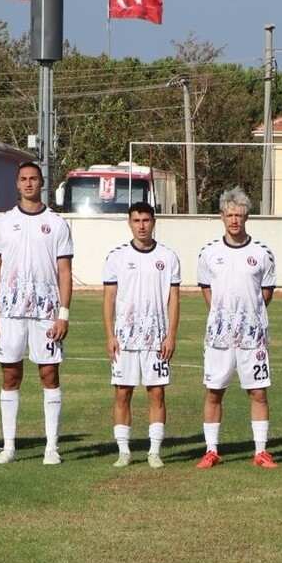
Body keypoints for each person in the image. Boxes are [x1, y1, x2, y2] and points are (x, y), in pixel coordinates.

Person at [0, 162, 73, 465]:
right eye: (23, 179)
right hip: (9, 313)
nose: (28, 184)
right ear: (17, 184)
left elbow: (65, 271)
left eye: (33, 179)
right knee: (10, 376)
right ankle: (9, 446)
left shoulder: (57, 223)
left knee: (49, 374)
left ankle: (52, 447)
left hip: (46, 313)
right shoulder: (3, 222)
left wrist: (63, 313)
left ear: (41, 182)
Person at [195, 187, 277, 468]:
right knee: (214, 391)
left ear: (246, 217)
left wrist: (248, 318)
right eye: (230, 215)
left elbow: (265, 294)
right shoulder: (209, 253)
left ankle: (261, 452)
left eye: (239, 215)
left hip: (252, 338)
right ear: (222, 217)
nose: (234, 220)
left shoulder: (262, 253)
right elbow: (207, 291)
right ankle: (211, 450)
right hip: (219, 337)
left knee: (258, 392)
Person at [101, 201, 181, 468]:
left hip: (156, 341)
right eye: (136, 220)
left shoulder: (168, 258)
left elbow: (174, 300)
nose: (141, 226)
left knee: (157, 393)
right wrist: (110, 335)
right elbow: (109, 299)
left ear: (154, 221)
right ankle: (124, 451)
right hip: (125, 340)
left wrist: (170, 335)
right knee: (122, 393)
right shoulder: (117, 257)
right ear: (129, 223)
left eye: (146, 220)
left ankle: (154, 451)